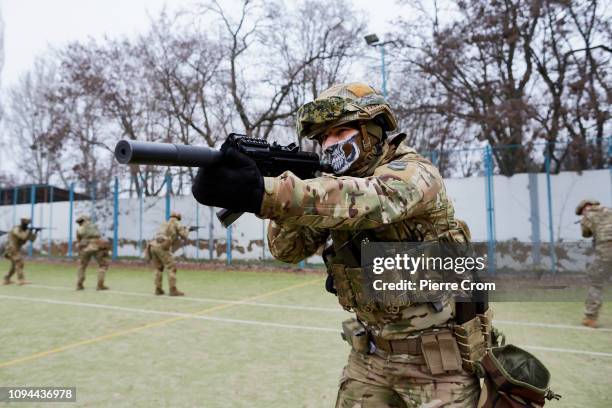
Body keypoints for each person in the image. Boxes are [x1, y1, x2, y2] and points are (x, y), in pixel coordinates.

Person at [192, 83, 489, 406]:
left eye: (340, 132)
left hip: (440, 365)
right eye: (323, 139)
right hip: (370, 359)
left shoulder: (415, 173)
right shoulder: (325, 189)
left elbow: (368, 200)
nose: (330, 144)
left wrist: (265, 192)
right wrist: (284, 188)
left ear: (373, 130)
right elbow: (288, 250)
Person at [576, 199, 612, 329]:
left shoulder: (588, 216)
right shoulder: (610, 211)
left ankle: (590, 318)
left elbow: (586, 234)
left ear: (586, 207)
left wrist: (584, 222)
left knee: (596, 283)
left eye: (582, 212)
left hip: (606, 253)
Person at [146, 212, 189, 296]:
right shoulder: (176, 223)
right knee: (171, 267)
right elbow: (184, 236)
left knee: (159, 268)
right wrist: (188, 230)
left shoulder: (164, 223)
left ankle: (158, 289)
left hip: (152, 245)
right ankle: (173, 290)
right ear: (178, 217)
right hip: (162, 246)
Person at [75, 215, 110, 291]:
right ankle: (100, 285)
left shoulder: (79, 229)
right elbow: (99, 235)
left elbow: (78, 240)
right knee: (102, 266)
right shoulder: (95, 226)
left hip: (85, 247)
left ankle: (79, 285)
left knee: (82, 266)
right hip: (98, 246)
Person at [3, 218, 37, 285]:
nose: (27, 225)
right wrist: (28, 231)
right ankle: (20, 280)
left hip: (15, 249)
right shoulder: (16, 229)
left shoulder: (24, 230)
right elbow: (23, 237)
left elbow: (32, 239)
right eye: (26, 224)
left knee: (14, 265)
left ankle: (6, 279)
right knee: (19, 262)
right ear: (22, 223)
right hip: (11, 249)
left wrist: (35, 232)